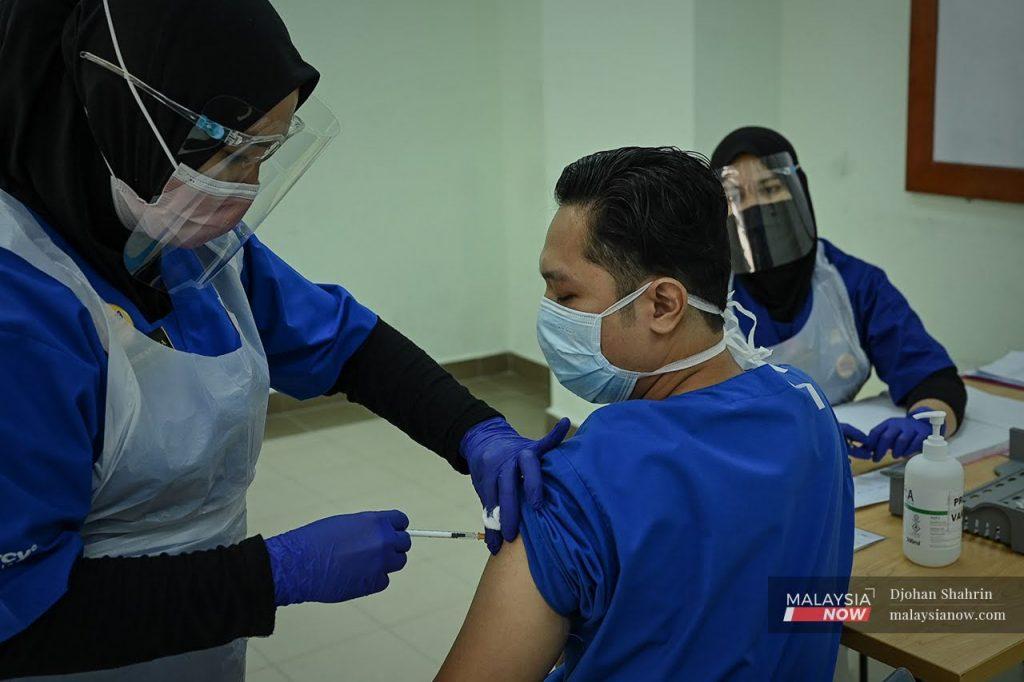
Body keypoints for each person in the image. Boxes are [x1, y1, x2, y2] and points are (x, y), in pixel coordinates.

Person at [0, 0, 567, 678]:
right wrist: (273, 575)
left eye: (266, 152)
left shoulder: (185, 241)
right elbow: (19, 615)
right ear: (129, 121)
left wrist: (475, 430)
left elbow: (348, 344)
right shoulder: (20, 307)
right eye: (233, 154)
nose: (250, 186)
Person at [436, 147, 853, 681]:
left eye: (565, 293)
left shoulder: (578, 482)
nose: (548, 315)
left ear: (662, 304)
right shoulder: (808, 408)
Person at [710, 127, 967, 462]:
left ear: (799, 191)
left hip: (850, 465)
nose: (757, 207)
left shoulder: (854, 284)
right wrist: (796, 437)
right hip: (745, 464)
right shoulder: (707, 295)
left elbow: (934, 378)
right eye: (735, 195)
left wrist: (926, 425)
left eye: (771, 188)